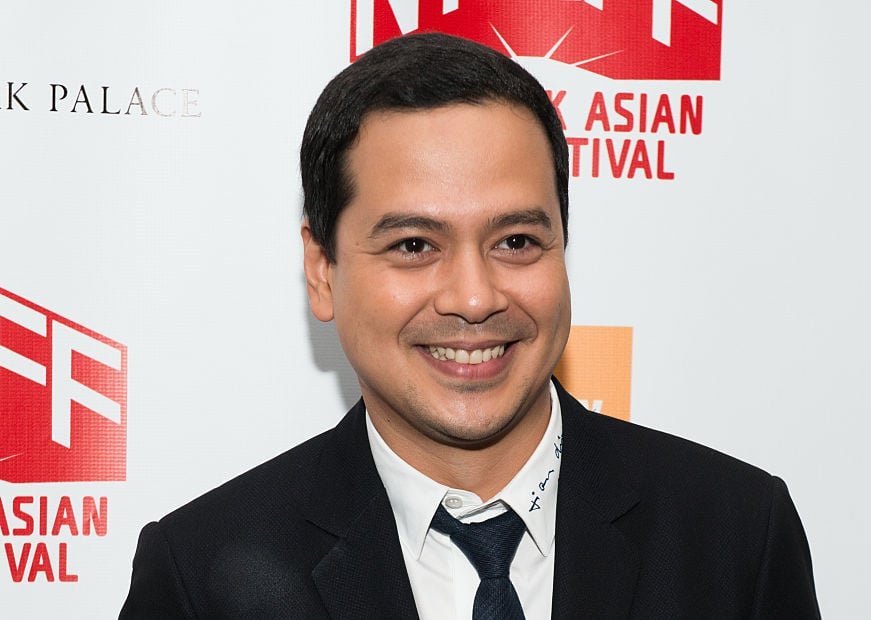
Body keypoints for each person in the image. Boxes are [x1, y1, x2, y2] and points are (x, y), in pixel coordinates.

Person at [120, 33, 820, 619]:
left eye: (516, 241)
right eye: (414, 246)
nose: (475, 298)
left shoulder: (735, 537)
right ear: (323, 269)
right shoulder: (200, 577)